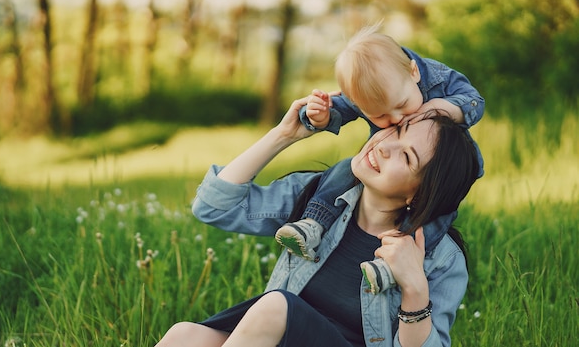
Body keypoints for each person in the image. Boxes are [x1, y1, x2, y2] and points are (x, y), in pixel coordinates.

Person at [155, 96, 480, 347]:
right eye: (397, 130)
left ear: (420, 194)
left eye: (407, 157)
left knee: (276, 307)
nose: (385, 147)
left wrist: (414, 288)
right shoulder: (318, 201)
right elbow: (212, 207)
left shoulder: (440, 258)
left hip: (280, 321)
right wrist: (283, 135)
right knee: (184, 336)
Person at [274, 23, 485, 294]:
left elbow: (475, 101)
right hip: (392, 160)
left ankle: (401, 259)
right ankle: (313, 222)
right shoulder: (367, 91)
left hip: (442, 171)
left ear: (414, 72)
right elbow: (339, 108)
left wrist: (445, 107)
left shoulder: (437, 77)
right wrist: (320, 116)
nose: (396, 119)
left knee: (435, 212)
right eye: (379, 116)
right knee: (343, 171)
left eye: (400, 105)